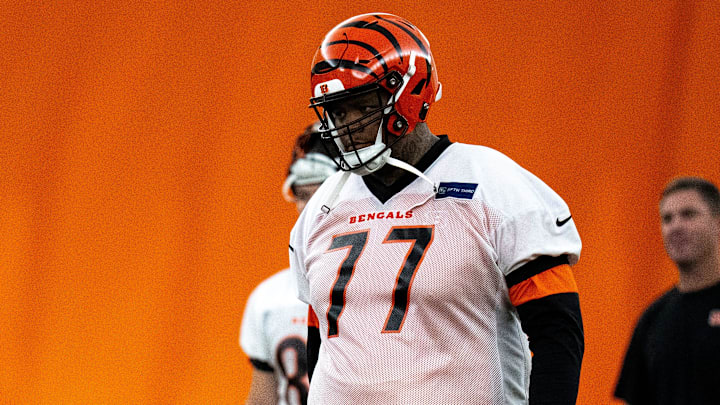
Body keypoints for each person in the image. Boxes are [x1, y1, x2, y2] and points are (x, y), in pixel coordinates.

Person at [289, 13, 584, 404]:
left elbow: (557, 333)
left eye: (358, 106)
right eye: (336, 111)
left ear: (408, 93)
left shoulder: (494, 185)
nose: (345, 126)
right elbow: (322, 343)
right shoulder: (322, 207)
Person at [240, 122, 338, 405]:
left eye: (320, 194)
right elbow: (263, 398)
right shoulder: (269, 298)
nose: (307, 209)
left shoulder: (381, 285)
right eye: (302, 196)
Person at [614, 176, 720, 405]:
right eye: (667, 219)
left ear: (717, 221)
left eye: (689, 214)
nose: (676, 226)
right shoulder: (654, 318)